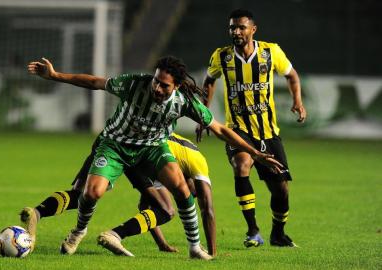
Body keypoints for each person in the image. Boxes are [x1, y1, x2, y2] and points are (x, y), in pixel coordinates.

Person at [27, 55, 282, 260]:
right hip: (115, 144)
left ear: (177, 86)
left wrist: (255, 153)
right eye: (156, 81)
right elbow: (95, 82)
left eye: (164, 85)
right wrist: (55, 75)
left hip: (151, 148)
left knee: (182, 190)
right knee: (91, 193)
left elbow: (221, 129)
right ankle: (78, 231)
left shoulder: (184, 102)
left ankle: (194, 248)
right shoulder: (135, 83)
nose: (157, 87)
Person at [198, 9, 306, 248]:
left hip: (268, 131)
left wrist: (297, 101)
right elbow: (208, 81)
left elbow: (292, 76)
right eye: (232, 28)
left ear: (253, 30)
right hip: (238, 129)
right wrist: (203, 114)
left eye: (241, 27)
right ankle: (253, 230)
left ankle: (278, 233)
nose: (236, 32)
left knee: (281, 190)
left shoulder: (270, 52)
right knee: (242, 164)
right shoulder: (222, 57)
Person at [20, 133, 216, 256]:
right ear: (194, 180)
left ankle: (37, 213)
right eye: (194, 192)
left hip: (107, 138)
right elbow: (208, 210)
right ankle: (113, 235)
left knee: (83, 195)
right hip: (138, 151)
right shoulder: (191, 163)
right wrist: (213, 253)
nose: (192, 195)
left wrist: (162, 244)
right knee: (166, 211)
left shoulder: (176, 162)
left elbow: (144, 207)